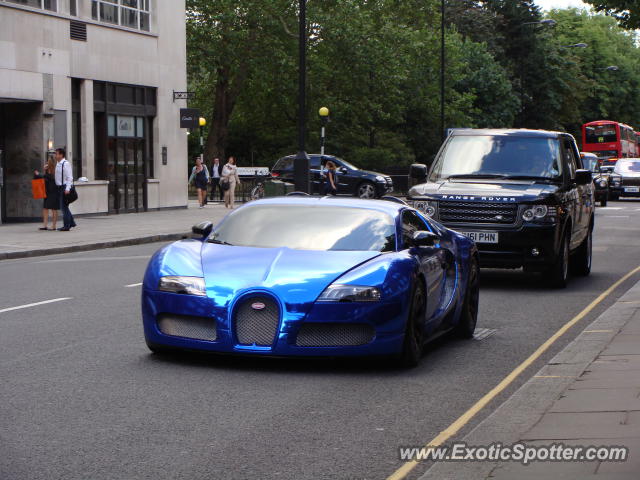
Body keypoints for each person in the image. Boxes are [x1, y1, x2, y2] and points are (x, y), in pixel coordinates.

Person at [33, 157, 59, 230]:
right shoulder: (48, 170)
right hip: (47, 191)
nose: (47, 163)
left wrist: (40, 174)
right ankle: (45, 225)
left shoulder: (56, 170)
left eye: (48, 161)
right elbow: (45, 178)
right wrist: (44, 170)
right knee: (45, 208)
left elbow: (50, 177)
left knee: (54, 209)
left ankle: (53, 226)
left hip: (53, 191)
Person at [54, 148, 76, 231]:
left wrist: (67, 188)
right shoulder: (58, 163)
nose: (55, 155)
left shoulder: (65, 164)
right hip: (59, 187)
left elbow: (69, 177)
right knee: (64, 207)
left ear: (61, 155)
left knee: (63, 208)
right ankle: (71, 223)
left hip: (64, 187)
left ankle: (66, 226)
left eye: (57, 154)